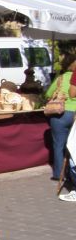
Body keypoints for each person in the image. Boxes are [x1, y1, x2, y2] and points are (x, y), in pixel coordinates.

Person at [45, 54, 76, 184]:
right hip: (74, 114)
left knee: (59, 145)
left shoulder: (60, 78)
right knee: (73, 145)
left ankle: (59, 174)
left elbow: (47, 94)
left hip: (60, 114)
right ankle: (71, 172)